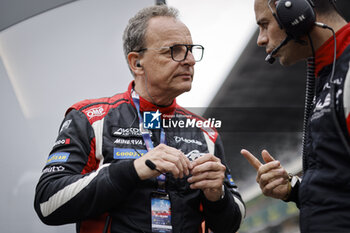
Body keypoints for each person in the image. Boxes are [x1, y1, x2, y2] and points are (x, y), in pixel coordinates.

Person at [34, 5, 245, 233]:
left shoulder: (206, 133)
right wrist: (133, 169)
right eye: (174, 50)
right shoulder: (90, 118)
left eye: (191, 50)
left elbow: (231, 224)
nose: (191, 60)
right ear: (137, 63)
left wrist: (218, 196)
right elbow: (47, 203)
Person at [241, 0, 350, 232]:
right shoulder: (327, 73)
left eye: (264, 24)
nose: (260, 39)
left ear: (296, 12)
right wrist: (294, 189)